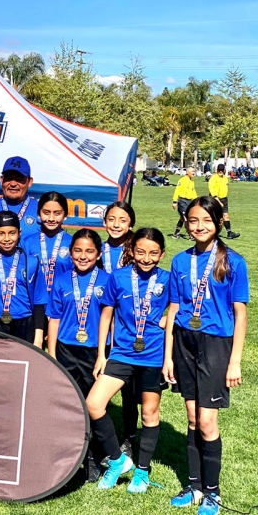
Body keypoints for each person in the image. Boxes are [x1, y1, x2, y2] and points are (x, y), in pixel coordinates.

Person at [163, 196, 248, 514]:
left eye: (206, 221)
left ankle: (213, 492)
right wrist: (168, 355)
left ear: (218, 223)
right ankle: (194, 486)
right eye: (193, 220)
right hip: (184, 342)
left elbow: (240, 314)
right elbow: (173, 309)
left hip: (216, 345)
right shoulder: (179, 261)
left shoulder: (233, 261)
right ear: (186, 222)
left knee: (208, 421)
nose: (199, 226)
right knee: (191, 419)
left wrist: (235, 360)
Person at [87, 228, 170, 492]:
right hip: (122, 352)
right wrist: (102, 353)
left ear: (162, 254)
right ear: (132, 251)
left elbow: (183, 308)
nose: (147, 258)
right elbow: (107, 315)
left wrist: (168, 319)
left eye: (154, 253)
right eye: (141, 252)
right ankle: (118, 460)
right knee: (94, 403)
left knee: (149, 413)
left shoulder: (168, 279)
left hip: (153, 355)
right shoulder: (119, 277)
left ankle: (142, 471)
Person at [47, 228, 109, 482]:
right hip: (65, 349)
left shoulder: (106, 280)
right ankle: (68, 459)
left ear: (98, 253)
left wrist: (103, 354)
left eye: (89, 251)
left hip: (94, 351)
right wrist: (51, 355)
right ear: (70, 252)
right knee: (68, 405)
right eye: (78, 251)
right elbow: (54, 318)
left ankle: (93, 458)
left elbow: (110, 320)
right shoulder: (61, 280)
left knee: (91, 406)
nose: (83, 256)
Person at [100, 201, 140, 462]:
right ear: (104, 222)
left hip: (128, 326)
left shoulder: (135, 251)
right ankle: (97, 436)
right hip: (99, 323)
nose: (116, 225)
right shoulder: (96, 249)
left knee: (129, 389)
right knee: (101, 379)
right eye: (112, 219)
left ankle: (130, 437)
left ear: (130, 224)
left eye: (122, 220)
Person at [0, 211, 47, 346]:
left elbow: (39, 304)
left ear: (19, 233)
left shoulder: (32, 262)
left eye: (12, 233)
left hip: (25, 322)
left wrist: (38, 339)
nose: (7, 238)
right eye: (1, 233)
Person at [21, 191, 74, 302]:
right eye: (46, 212)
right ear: (38, 214)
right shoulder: (27, 242)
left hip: (63, 301)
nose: (51, 218)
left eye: (57, 213)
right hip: (33, 302)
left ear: (65, 215)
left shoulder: (73, 243)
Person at [0, 156, 40, 239]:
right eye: (8, 178)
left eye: (19, 179)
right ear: (1, 180)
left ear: (29, 182)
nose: (13, 184)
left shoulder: (41, 210)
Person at [208, 164, 240, 239]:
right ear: (217, 170)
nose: (221, 171)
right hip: (215, 199)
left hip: (224, 199)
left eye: (222, 170)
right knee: (214, 217)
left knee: (226, 216)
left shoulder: (225, 178)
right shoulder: (213, 178)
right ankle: (211, 232)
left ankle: (229, 233)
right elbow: (211, 189)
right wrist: (217, 200)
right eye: (219, 170)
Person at [172, 166, 198, 239]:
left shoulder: (192, 181)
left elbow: (193, 191)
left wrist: (197, 200)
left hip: (189, 201)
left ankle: (176, 234)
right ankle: (191, 235)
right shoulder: (182, 180)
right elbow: (177, 190)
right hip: (182, 201)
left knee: (182, 218)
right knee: (186, 218)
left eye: (194, 171)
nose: (194, 173)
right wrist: (174, 201)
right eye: (192, 171)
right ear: (187, 172)